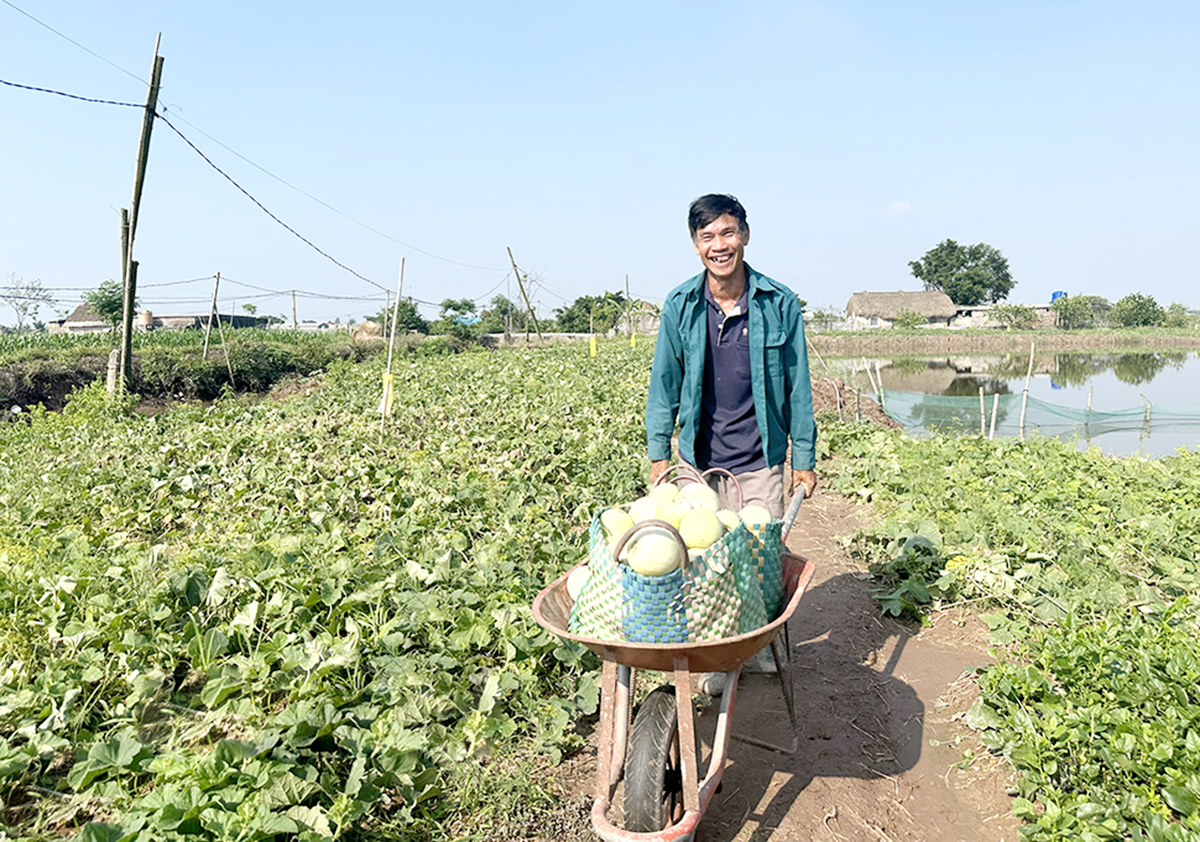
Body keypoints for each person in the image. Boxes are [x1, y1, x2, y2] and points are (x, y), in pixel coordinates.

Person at [645, 193, 817, 693]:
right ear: (696, 245)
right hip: (698, 459)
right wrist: (659, 453)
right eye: (707, 237)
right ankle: (716, 651)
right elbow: (664, 383)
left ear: (744, 234)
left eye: (727, 233)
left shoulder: (778, 302)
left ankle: (751, 650)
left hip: (760, 457)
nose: (719, 246)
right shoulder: (681, 305)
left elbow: (798, 385)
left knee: (759, 563)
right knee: (704, 561)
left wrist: (801, 457)